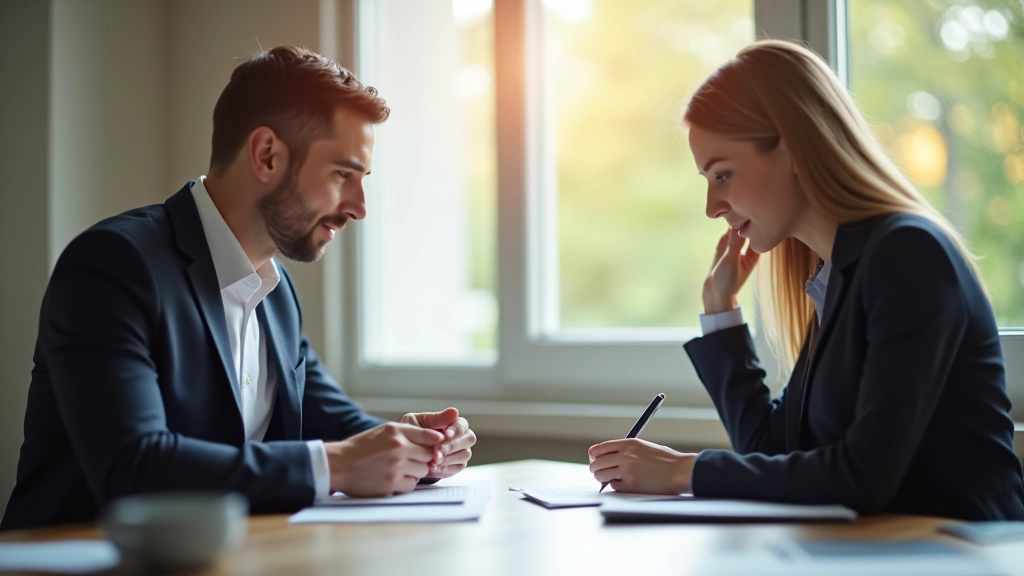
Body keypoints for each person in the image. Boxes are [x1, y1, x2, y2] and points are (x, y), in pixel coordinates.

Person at [1, 46, 477, 531]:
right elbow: (133, 467)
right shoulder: (113, 266)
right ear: (266, 154)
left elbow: (335, 426)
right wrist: (338, 465)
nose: (359, 207)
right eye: (342, 175)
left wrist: (414, 446)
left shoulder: (277, 293)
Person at [587, 40, 1024, 520]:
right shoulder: (836, 276)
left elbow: (863, 477)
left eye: (723, 175)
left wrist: (683, 471)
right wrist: (721, 312)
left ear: (793, 148)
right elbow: (774, 450)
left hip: (963, 557)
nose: (712, 206)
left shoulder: (907, 253)